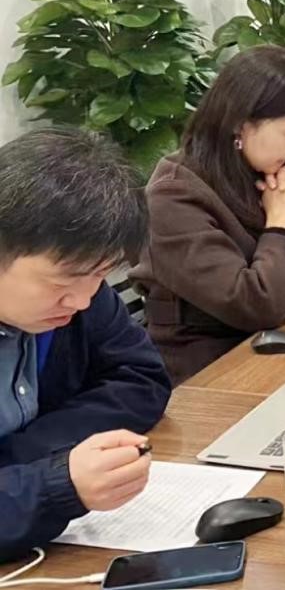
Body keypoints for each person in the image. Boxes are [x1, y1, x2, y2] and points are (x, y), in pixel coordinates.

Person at [131, 47, 285, 384]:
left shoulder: (257, 169)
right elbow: (254, 305)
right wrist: (279, 225)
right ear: (240, 123)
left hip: (276, 342)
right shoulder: (173, 194)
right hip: (208, 369)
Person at [0, 128, 172, 561]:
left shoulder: (82, 294)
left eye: (99, 275)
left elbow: (143, 380)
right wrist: (57, 485)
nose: (80, 301)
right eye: (62, 281)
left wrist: (24, 458)